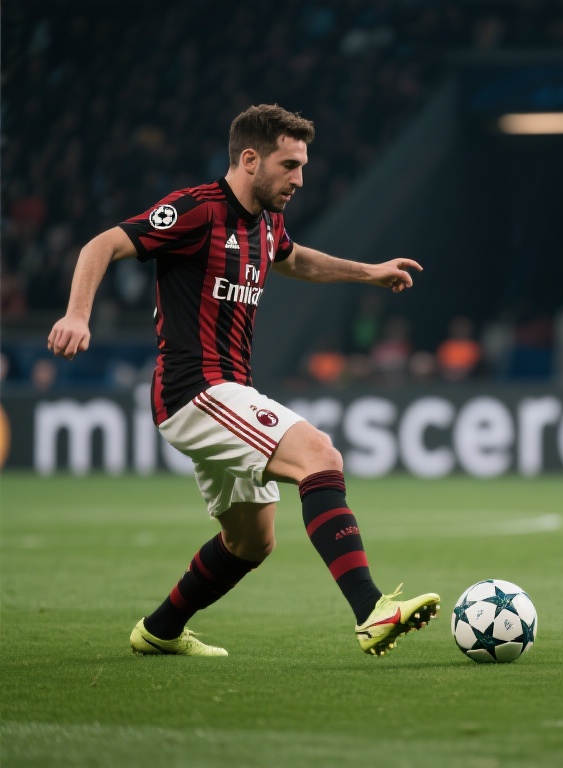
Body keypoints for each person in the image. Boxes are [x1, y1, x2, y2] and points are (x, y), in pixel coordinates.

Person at [48, 104, 440, 657]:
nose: (299, 180)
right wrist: (77, 315)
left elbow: (295, 260)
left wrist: (368, 272)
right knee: (320, 456)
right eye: (289, 165)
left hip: (229, 390)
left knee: (251, 542)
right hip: (195, 390)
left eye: (302, 167)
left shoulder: (267, 221)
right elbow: (102, 245)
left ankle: (158, 631)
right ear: (250, 159)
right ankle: (372, 609)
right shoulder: (196, 210)